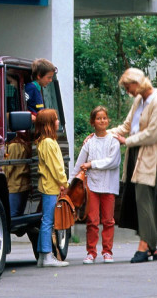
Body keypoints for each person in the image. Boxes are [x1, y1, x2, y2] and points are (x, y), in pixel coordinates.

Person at [109, 68, 157, 263]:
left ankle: (144, 246)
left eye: (128, 87)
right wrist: (107, 134)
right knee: (138, 201)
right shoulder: (138, 100)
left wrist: (126, 141)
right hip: (134, 155)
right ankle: (152, 247)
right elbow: (127, 126)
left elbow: (153, 134)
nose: (127, 91)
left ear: (137, 83)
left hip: (149, 157)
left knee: (144, 202)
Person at [73, 105, 121, 264]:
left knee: (108, 220)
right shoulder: (89, 142)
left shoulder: (113, 140)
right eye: (98, 118)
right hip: (92, 186)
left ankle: (107, 251)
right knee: (92, 220)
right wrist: (69, 184)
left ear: (108, 120)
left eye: (104, 118)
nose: (102, 121)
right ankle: (91, 252)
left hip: (108, 185)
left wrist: (91, 164)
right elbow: (79, 164)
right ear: (92, 122)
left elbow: (113, 162)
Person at [35, 108, 69, 267]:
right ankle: (47, 255)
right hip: (51, 186)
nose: (58, 122)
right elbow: (56, 167)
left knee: (46, 221)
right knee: (48, 221)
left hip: (48, 185)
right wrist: (64, 183)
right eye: (55, 119)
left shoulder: (44, 141)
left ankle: (43, 256)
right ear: (49, 123)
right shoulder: (49, 142)